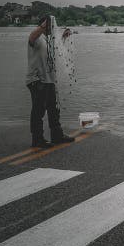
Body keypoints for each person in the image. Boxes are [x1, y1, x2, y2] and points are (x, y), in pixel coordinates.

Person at [27, 15, 75, 148]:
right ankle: (37, 139)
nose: (53, 29)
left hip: (49, 80)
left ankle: (57, 136)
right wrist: (43, 26)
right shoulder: (37, 38)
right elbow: (31, 38)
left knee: (53, 109)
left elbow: (54, 51)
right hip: (37, 80)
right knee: (38, 111)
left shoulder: (47, 40)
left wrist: (63, 37)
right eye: (51, 27)